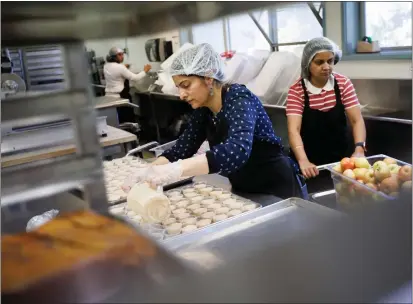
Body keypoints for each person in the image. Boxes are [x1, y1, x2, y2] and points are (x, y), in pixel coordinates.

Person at [123, 43, 306, 200]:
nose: (181, 95)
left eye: (186, 85)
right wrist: (148, 172)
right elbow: (182, 149)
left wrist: (176, 170)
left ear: (209, 78)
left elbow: (237, 150)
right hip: (244, 187)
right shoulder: (204, 110)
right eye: (179, 88)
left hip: (277, 188)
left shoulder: (239, 98)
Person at [286, 37, 367, 179]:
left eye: (330, 61)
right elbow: (294, 130)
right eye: (319, 62)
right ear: (307, 63)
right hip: (309, 164)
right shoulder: (297, 90)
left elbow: (357, 120)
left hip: (341, 160)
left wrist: (359, 148)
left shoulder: (342, 83)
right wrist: (303, 160)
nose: (326, 66)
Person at [104, 47, 152, 123]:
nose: (122, 56)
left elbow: (116, 72)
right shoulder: (120, 67)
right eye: (119, 55)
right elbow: (135, 78)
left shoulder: (106, 66)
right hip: (120, 98)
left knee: (116, 121)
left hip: (109, 97)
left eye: (122, 54)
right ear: (113, 57)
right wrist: (145, 71)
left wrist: (124, 68)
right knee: (126, 120)